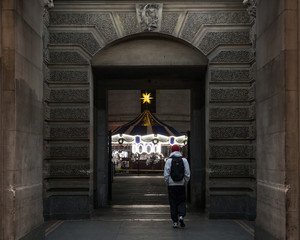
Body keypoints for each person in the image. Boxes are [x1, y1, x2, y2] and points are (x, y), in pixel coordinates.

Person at [164, 144, 190, 228]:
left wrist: (167, 181)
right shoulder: (184, 160)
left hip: (172, 185)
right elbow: (187, 173)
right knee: (181, 201)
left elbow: (166, 173)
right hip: (181, 184)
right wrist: (185, 181)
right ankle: (181, 216)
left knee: (173, 202)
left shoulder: (169, 161)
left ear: (172, 151)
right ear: (179, 150)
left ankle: (175, 222)